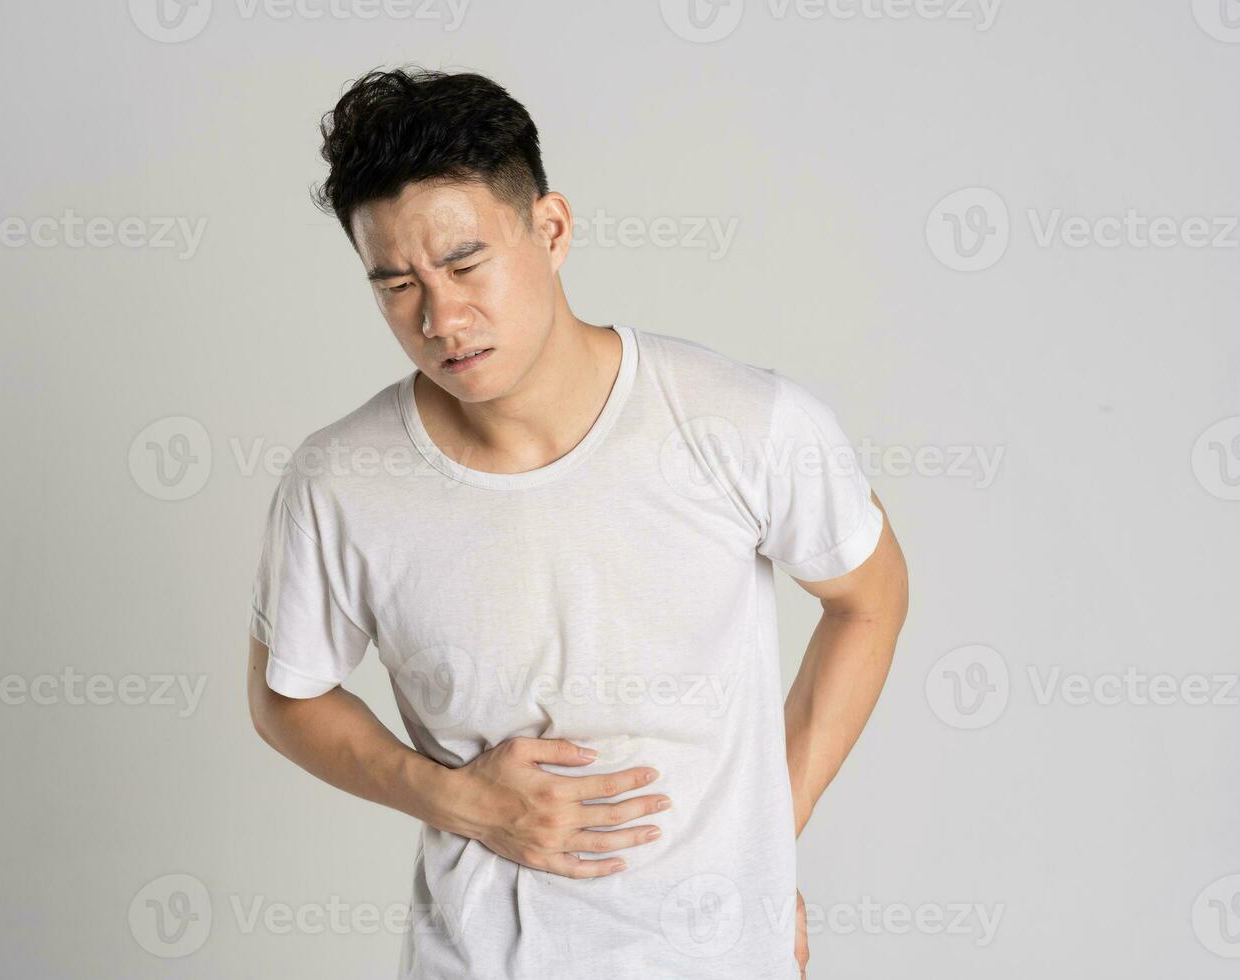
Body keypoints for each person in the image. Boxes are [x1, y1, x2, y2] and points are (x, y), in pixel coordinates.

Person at [246, 65, 909, 980]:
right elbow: (287, 695)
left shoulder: (739, 420)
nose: (441, 316)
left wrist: (766, 844)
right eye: (396, 284)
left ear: (550, 229)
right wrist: (456, 800)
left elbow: (870, 594)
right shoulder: (340, 481)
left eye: (464, 263)